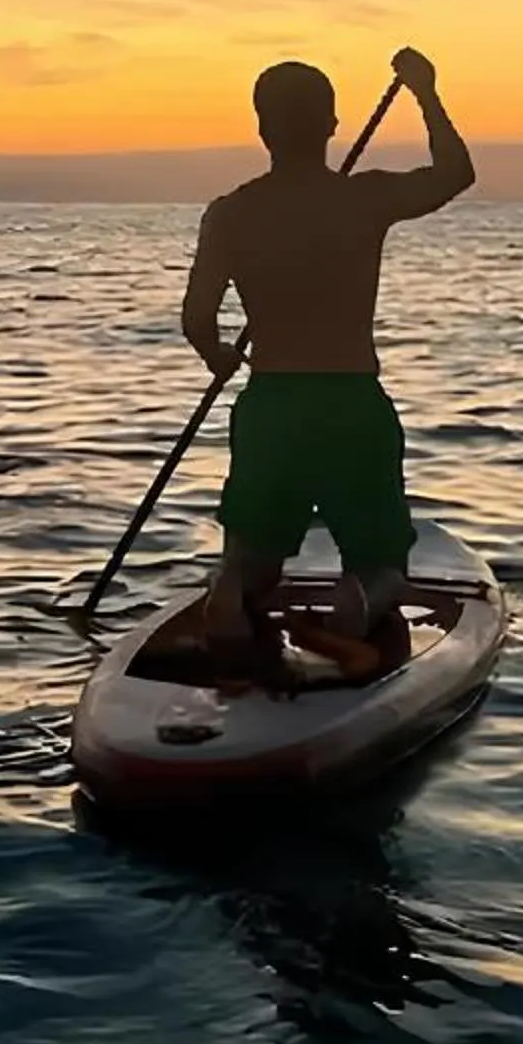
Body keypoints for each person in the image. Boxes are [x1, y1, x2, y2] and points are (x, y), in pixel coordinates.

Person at [181, 47, 474, 676]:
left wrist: (219, 355)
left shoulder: (230, 213)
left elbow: (197, 320)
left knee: (250, 563)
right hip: (349, 404)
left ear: (262, 128)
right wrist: (424, 91)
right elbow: (455, 173)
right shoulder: (362, 200)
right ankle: (361, 597)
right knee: (381, 563)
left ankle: (232, 596)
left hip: (272, 406)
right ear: (333, 126)